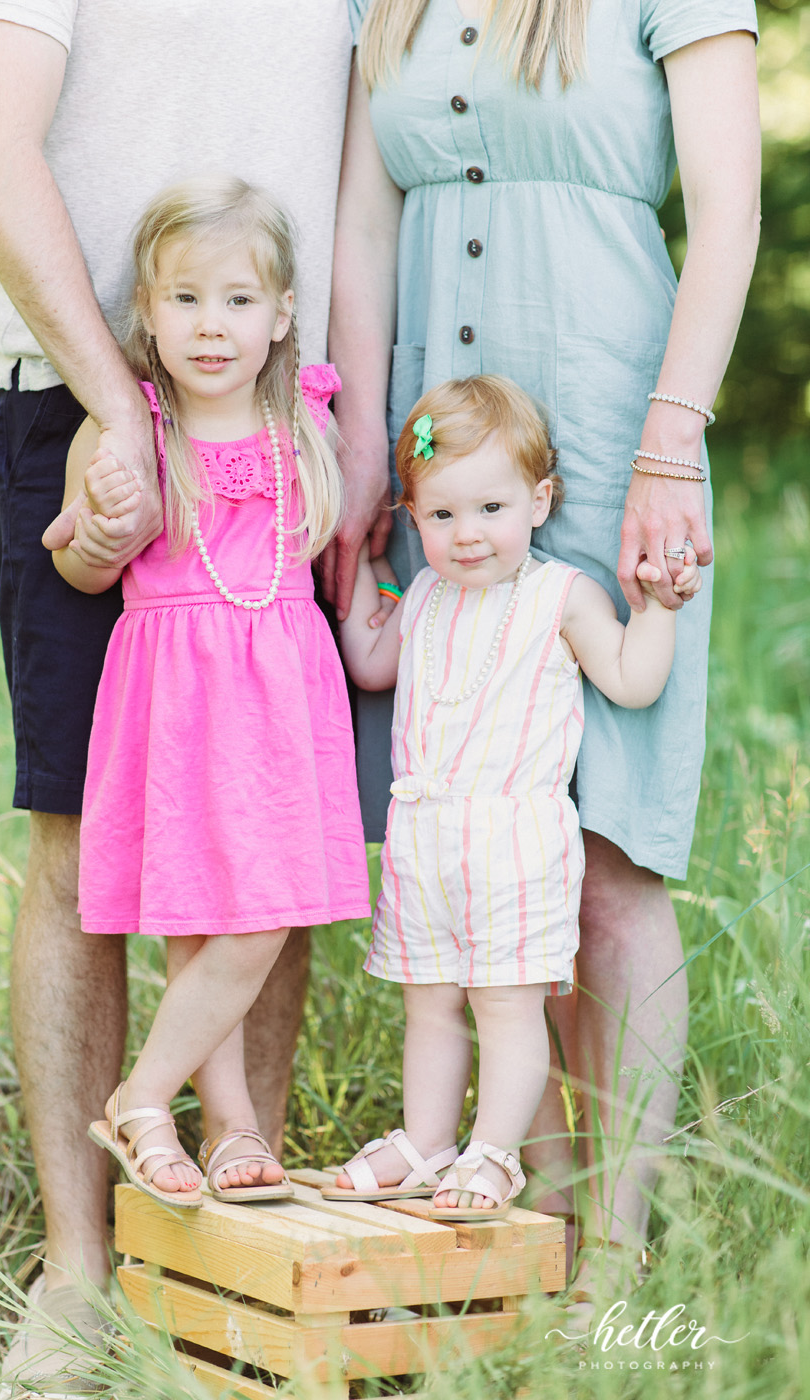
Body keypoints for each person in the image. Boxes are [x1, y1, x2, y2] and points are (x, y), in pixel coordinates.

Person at [0, 2, 356, 1390]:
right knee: (81, 842)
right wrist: (117, 409)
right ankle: (77, 1270)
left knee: (269, 838)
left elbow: (357, 177)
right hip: (87, 393)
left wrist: (342, 420)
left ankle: (227, 1249)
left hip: (283, 406)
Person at [326, 0, 759, 1304]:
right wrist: (361, 466)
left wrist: (670, 444)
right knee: (487, 845)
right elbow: (359, 225)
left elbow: (729, 217)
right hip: (441, 468)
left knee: (613, 857)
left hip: (611, 421)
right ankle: (524, 1241)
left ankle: (611, 1256)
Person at [57, 174, 368, 1209]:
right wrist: (100, 533)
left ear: (282, 316)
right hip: (176, 697)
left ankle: (144, 1093)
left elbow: (332, 556)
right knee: (205, 914)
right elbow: (76, 562)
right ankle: (223, 1120)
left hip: (280, 693)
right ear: (144, 313)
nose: (210, 325)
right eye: (183, 298)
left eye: (237, 300)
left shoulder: (303, 421)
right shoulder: (126, 426)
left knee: (264, 907)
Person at [327, 376, 700, 1220]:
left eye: (491, 509)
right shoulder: (420, 594)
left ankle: (495, 1152)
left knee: (504, 1005)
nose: (467, 537)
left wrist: (662, 608)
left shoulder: (558, 595)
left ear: (539, 502)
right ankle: (427, 1140)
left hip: (513, 844)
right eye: (443, 516)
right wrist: (360, 566)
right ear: (416, 517)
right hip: (426, 842)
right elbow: (372, 662)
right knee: (429, 1003)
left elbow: (632, 679)